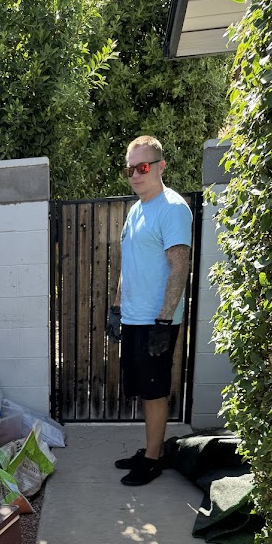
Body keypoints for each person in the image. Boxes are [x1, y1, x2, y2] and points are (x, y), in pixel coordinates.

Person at [105, 135, 192, 486]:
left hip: (157, 320)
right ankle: (150, 450)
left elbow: (179, 266)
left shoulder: (173, 208)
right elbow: (129, 264)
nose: (136, 175)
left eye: (142, 167)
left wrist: (164, 320)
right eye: (130, 169)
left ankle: (153, 460)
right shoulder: (136, 210)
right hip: (133, 317)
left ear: (160, 166)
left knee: (155, 392)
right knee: (144, 388)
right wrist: (116, 307)